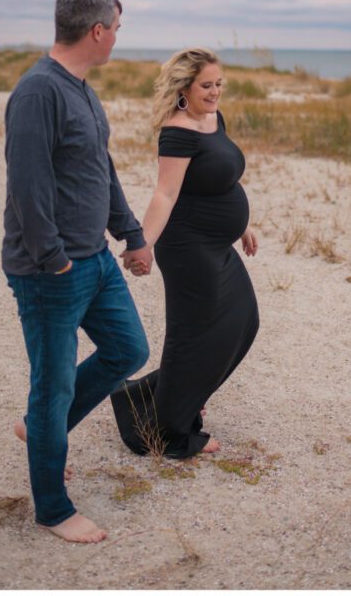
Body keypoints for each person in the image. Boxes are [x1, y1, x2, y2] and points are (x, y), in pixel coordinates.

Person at [2, 0, 152, 544]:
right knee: (52, 387)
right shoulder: (39, 92)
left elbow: (100, 169)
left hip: (96, 259)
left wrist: (131, 234)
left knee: (128, 349)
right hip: (52, 270)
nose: (117, 37)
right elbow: (28, 185)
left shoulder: (82, 89)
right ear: (97, 31)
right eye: (116, 27)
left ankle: (41, 429)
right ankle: (53, 509)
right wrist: (52, 260)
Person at [111, 47, 259, 458]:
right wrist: (143, 243)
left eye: (218, 84)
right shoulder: (176, 131)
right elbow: (166, 192)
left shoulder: (214, 118)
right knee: (192, 337)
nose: (215, 92)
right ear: (184, 88)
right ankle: (170, 431)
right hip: (188, 247)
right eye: (206, 86)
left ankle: (146, 399)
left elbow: (219, 178)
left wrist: (241, 223)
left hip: (217, 243)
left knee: (243, 320)